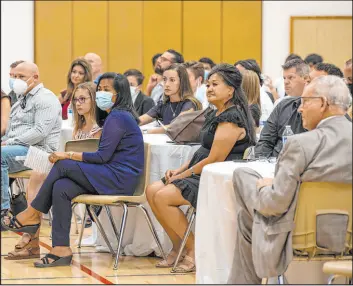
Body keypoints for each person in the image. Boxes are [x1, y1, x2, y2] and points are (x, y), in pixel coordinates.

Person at [2, 72, 144, 268]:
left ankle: (33, 213)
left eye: (106, 90)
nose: (101, 93)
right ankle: (61, 249)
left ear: (119, 94)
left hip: (120, 179)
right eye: (100, 89)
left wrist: (66, 155)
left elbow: (102, 157)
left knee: (62, 165)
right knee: (62, 187)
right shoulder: (114, 116)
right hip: (109, 174)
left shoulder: (119, 117)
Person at [227, 75, 352, 284]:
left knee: (243, 181)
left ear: (322, 103)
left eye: (304, 102)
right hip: (348, 236)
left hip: (301, 238)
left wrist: (266, 187)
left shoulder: (301, 144)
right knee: (248, 216)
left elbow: (274, 205)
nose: (300, 109)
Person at [145, 64, 256, 273]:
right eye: (208, 84)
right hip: (200, 171)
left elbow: (214, 158)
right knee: (151, 190)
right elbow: (202, 151)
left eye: (215, 84)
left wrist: (184, 175)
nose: (209, 88)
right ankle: (177, 246)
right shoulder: (216, 113)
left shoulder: (232, 118)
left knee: (162, 197)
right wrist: (179, 171)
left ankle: (194, 249)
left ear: (230, 90)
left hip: (215, 177)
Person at [4, 82, 102, 260]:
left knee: (40, 174)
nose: (78, 103)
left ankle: (31, 236)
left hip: (89, 174)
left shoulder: (99, 128)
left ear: (94, 101)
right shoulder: (78, 126)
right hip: (73, 169)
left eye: (83, 99)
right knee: (38, 171)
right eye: (75, 100)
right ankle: (31, 235)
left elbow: (94, 159)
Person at [1, 62, 62, 216]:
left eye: (21, 76)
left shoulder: (46, 98)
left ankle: (3, 209)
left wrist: (10, 142)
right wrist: (6, 141)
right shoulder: (21, 99)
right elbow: (10, 130)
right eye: (14, 76)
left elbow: (40, 132)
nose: (16, 80)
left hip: (40, 154)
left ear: (35, 78)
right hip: (21, 150)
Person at [255, 59, 310, 158]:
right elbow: (266, 140)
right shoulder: (282, 105)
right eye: (284, 78)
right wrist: (260, 163)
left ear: (306, 79)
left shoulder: (318, 109)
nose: (286, 82)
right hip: (273, 164)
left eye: (291, 78)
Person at [139, 64, 202, 133]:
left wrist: (147, 132)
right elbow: (141, 120)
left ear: (182, 82)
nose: (166, 84)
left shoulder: (189, 104)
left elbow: (175, 126)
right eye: (164, 79)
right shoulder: (163, 104)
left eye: (172, 80)